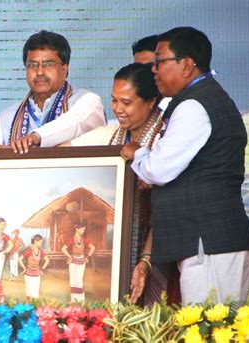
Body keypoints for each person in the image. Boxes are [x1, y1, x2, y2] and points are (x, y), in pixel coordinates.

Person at [121, 26, 249, 305]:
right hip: (209, 243)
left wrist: (137, 154)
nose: (154, 70)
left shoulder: (194, 105)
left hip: (208, 242)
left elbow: (159, 169)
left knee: (209, 330)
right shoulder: (201, 98)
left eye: (159, 62)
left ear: (186, 65)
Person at [69, 63, 181, 305]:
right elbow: (56, 153)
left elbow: (170, 202)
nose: (118, 109)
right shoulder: (108, 135)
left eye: (126, 103)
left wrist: (146, 259)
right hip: (122, 254)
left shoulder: (167, 139)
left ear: (151, 102)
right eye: (114, 101)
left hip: (161, 249)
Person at [0, 30, 106, 153]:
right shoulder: (8, 117)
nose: (39, 72)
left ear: (64, 69)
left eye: (48, 64)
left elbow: (73, 122)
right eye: (32, 65)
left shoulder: (87, 101)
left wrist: (36, 137)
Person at [61, 222, 95, 302]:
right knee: (72, 280)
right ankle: (73, 299)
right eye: (82, 229)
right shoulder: (71, 240)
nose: (83, 231)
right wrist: (69, 257)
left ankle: (81, 299)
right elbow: (63, 249)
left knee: (79, 281)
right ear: (77, 229)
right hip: (73, 262)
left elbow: (93, 248)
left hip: (81, 262)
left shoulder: (84, 240)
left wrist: (87, 257)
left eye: (84, 230)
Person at [19, 234, 50, 301]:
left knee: (35, 293)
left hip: (37, 274)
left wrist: (42, 269)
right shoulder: (29, 250)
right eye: (41, 242)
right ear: (35, 241)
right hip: (28, 275)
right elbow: (20, 259)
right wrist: (24, 268)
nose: (41, 244)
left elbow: (47, 260)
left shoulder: (40, 251)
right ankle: (28, 309)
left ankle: (35, 308)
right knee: (29, 293)